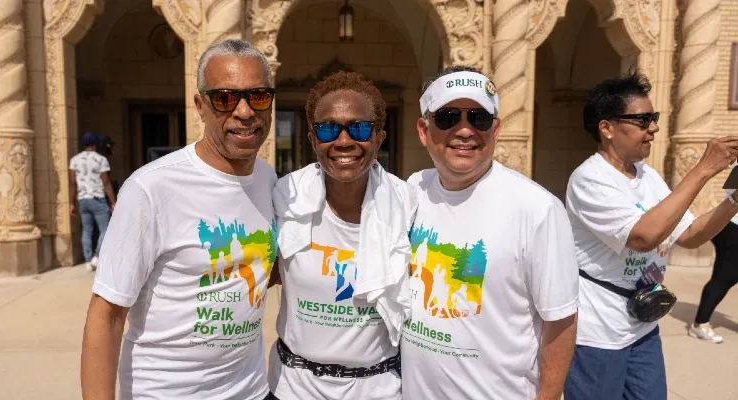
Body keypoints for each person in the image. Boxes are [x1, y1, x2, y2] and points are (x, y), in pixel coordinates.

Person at [80, 39, 279, 400]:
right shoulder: (151, 188)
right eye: (225, 98)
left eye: (259, 96)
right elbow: (106, 315)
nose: (245, 111)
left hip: (250, 390)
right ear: (200, 106)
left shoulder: (268, 180)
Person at [402, 65, 580, 400]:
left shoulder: (537, 209)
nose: (465, 130)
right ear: (424, 130)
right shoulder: (414, 189)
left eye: (479, 119)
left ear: (495, 129)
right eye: (448, 117)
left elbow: (560, 320)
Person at [563, 69, 738, 399]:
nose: (654, 128)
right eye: (643, 120)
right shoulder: (590, 180)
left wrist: (735, 198)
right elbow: (644, 236)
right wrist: (703, 169)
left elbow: (690, 235)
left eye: (654, 118)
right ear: (607, 128)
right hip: (598, 331)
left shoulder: (648, 175)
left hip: (642, 324)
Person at [269, 71, 416, 400]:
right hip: (294, 389)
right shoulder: (284, 197)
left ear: (379, 138)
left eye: (360, 128)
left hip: (379, 390)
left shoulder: (408, 205)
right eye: (329, 129)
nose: (345, 140)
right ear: (312, 139)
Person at [69, 132, 117, 272]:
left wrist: (71, 203)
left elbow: (72, 183)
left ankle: (88, 260)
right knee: (105, 229)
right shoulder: (101, 160)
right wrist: (113, 202)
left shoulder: (74, 160)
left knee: (87, 230)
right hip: (98, 198)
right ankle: (97, 256)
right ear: (95, 144)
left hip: (83, 199)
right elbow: (106, 183)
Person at [689, 211, 738, 343]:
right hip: (732, 226)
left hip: (728, 223)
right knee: (724, 277)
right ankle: (700, 324)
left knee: (725, 277)